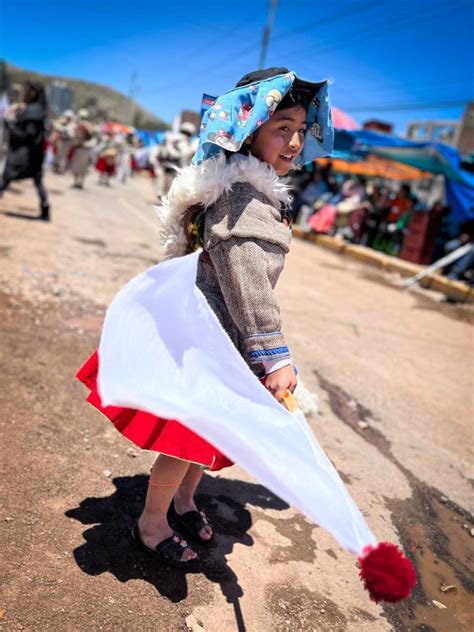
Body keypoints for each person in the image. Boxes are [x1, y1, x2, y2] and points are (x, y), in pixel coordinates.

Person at [77, 67, 334, 566]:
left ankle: (185, 501)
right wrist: (274, 354)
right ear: (248, 130)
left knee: (213, 433)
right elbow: (246, 284)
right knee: (186, 438)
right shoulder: (239, 198)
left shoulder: (257, 193)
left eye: (301, 129)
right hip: (210, 339)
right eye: (282, 127)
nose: (295, 142)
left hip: (228, 341)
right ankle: (151, 524)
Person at [0, 80, 50, 220]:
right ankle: (45, 209)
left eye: (25, 90)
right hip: (31, 154)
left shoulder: (33, 111)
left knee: (7, 176)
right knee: (37, 181)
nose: (23, 93)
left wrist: (11, 126)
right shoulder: (34, 109)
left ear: (32, 93)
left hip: (25, 154)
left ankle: (45, 209)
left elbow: (28, 135)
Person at [69, 109, 95, 189]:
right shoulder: (89, 126)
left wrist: (75, 142)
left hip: (81, 147)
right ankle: (79, 182)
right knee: (83, 166)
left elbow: (79, 137)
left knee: (78, 166)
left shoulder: (82, 126)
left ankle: (77, 182)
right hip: (86, 148)